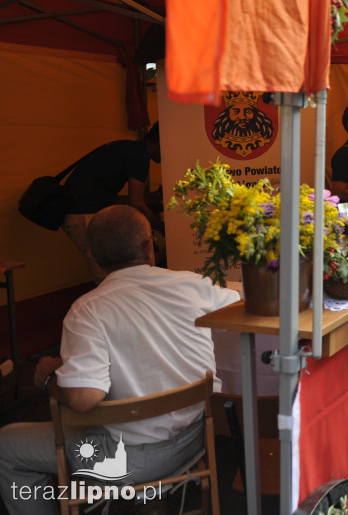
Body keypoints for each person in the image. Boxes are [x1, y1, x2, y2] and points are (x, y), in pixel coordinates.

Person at [0, 206, 239, 515]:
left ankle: (148, 496)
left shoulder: (88, 310)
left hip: (125, 461)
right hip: (197, 439)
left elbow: (84, 398)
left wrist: (48, 378)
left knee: (6, 446)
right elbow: (244, 302)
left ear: (95, 258)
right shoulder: (193, 285)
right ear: (148, 247)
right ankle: (156, 498)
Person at [60, 122, 162, 282]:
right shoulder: (140, 155)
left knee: (111, 276)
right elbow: (136, 203)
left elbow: (109, 197)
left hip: (80, 212)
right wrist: (162, 227)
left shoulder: (128, 148)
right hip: (82, 215)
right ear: (159, 142)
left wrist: (144, 199)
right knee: (107, 278)